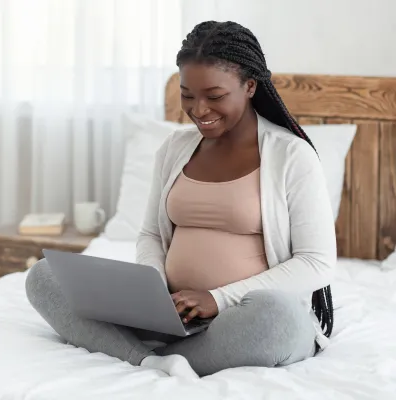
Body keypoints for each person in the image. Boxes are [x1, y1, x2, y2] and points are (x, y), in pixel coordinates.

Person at [26, 21, 336, 378]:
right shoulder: (175, 148)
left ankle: (128, 352)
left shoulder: (291, 156)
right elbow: (151, 236)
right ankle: (155, 360)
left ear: (250, 86)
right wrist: (153, 290)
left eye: (214, 96)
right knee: (44, 276)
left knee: (277, 320)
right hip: (168, 314)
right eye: (187, 95)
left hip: (239, 316)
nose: (199, 109)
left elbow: (316, 263)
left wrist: (218, 299)